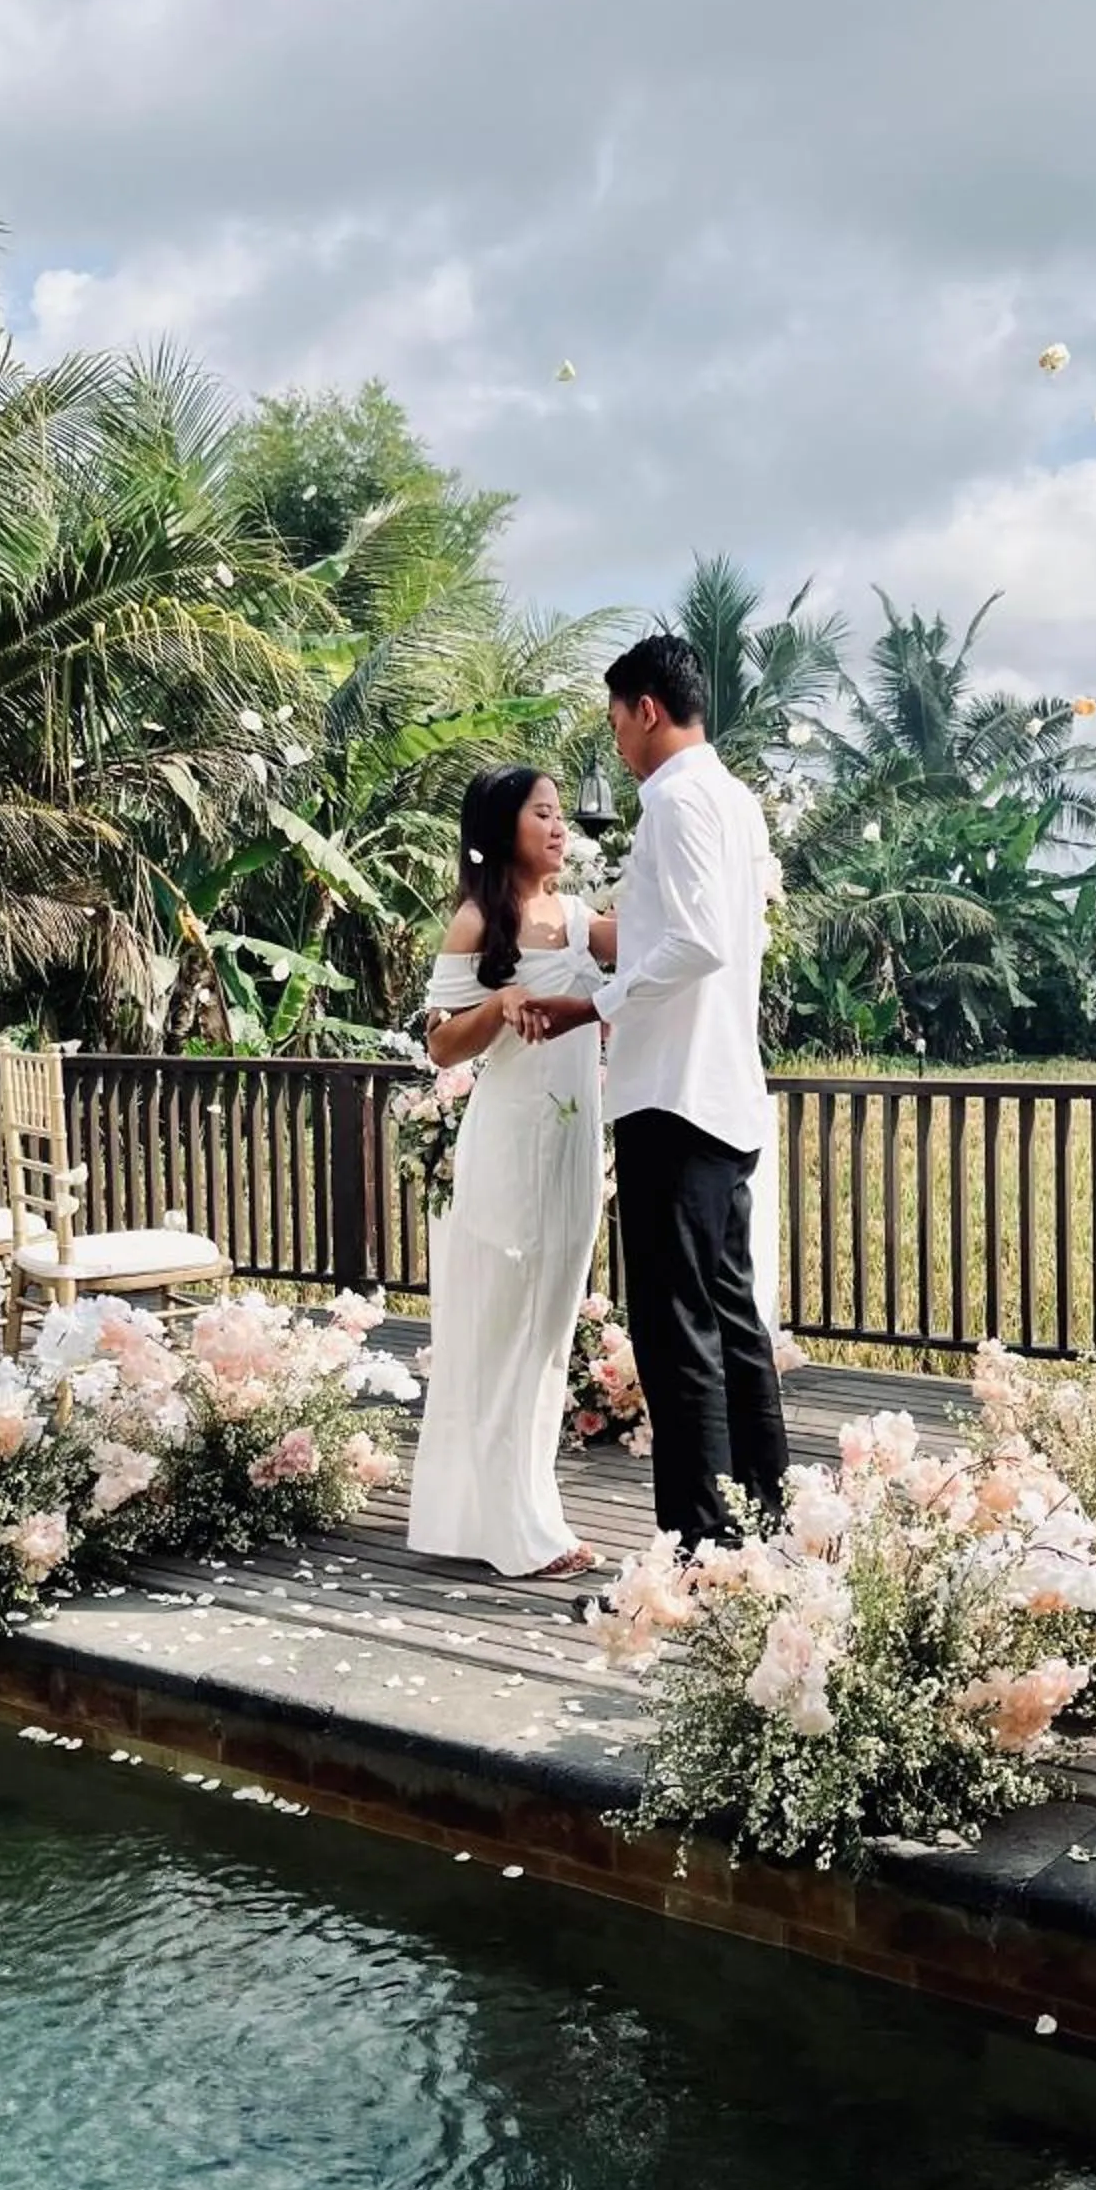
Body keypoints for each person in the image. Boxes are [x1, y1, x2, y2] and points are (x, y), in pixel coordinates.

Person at [510, 636, 790, 1551]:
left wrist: (596, 1005)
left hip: (673, 1092)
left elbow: (699, 940)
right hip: (722, 1088)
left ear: (646, 711)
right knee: (732, 1318)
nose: (617, 741)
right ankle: (765, 1519)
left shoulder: (674, 801)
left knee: (676, 1334)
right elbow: (687, 931)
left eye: (616, 720)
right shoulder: (734, 799)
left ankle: (698, 1544)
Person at [405, 767, 616, 1579]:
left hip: (569, 1149)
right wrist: (499, 1006)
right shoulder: (474, 921)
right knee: (506, 1330)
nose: (560, 827)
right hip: (508, 1145)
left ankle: (505, 1510)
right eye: (543, 813)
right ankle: (512, 1528)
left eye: (562, 814)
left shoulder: (573, 917)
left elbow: (652, 944)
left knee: (548, 1332)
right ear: (503, 826)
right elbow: (440, 1044)